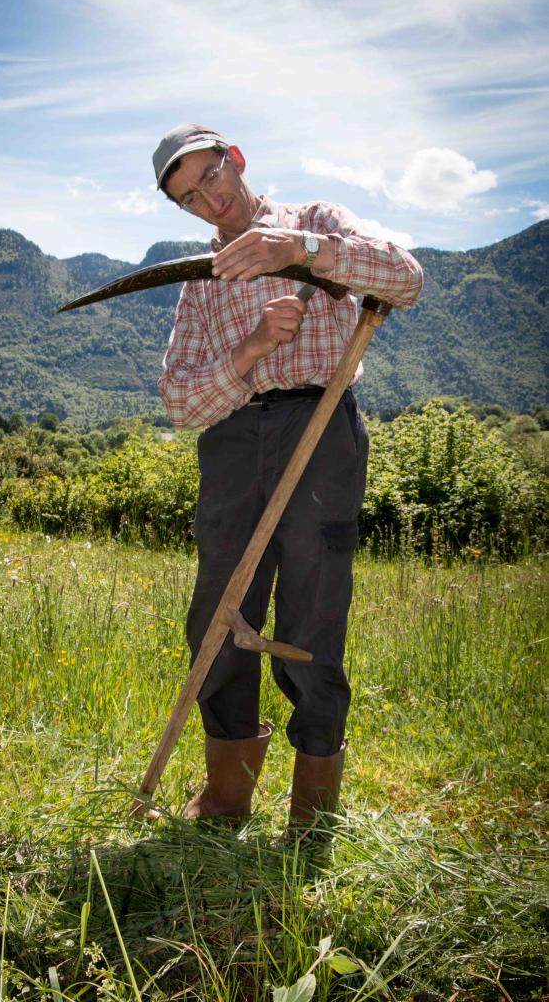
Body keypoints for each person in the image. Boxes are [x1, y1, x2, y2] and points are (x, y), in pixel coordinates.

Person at [152, 123, 423, 834]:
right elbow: (181, 405)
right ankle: (227, 799)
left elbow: (407, 277)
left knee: (313, 612)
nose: (209, 200)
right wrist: (250, 348)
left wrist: (298, 253)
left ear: (235, 161)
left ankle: (312, 811)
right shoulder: (201, 283)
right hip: (235, 441)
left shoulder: (314, 223)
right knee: (218, 614)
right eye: (188, 198)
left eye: (211, 176)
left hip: (322, 423)